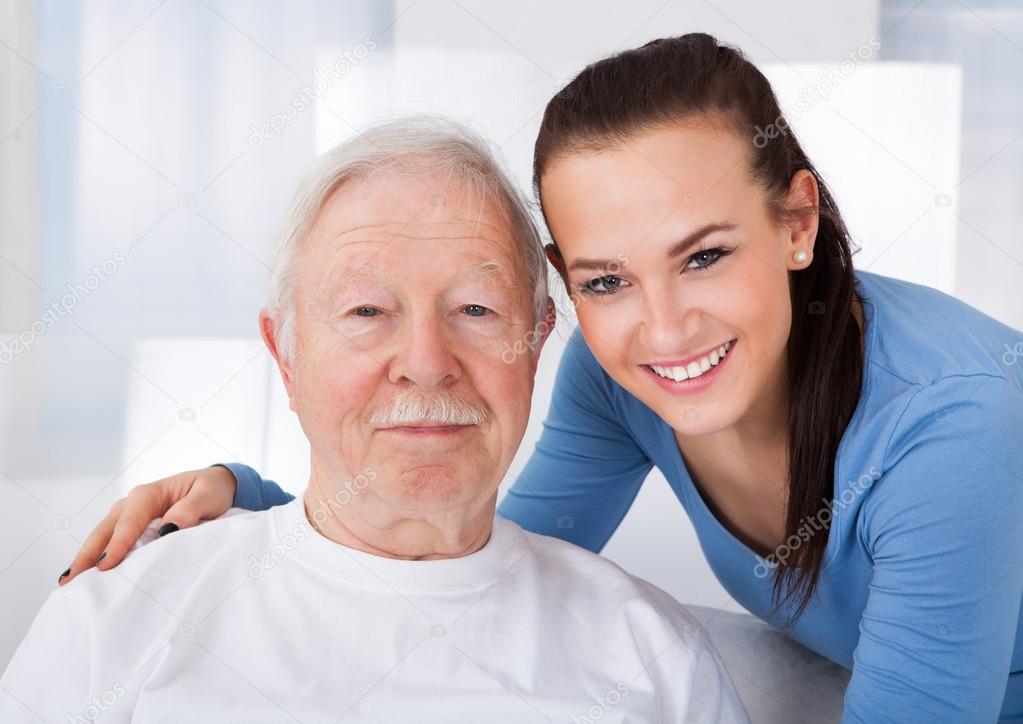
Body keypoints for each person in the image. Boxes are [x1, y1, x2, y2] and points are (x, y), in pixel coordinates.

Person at [62, 33, 1023, 722]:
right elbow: (489, 548)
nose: (661, 326)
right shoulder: (622, 381)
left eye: (702, 256)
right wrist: (261, 502)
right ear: (568, 286)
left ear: (796, 223)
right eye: (608, 279)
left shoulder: (951, 422)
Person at [1, 117, 749, 723]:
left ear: (537, 340)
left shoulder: (653, 660)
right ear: (284, 354)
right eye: (366, 312)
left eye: (476, 311)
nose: (426, 362)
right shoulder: (115, 620)